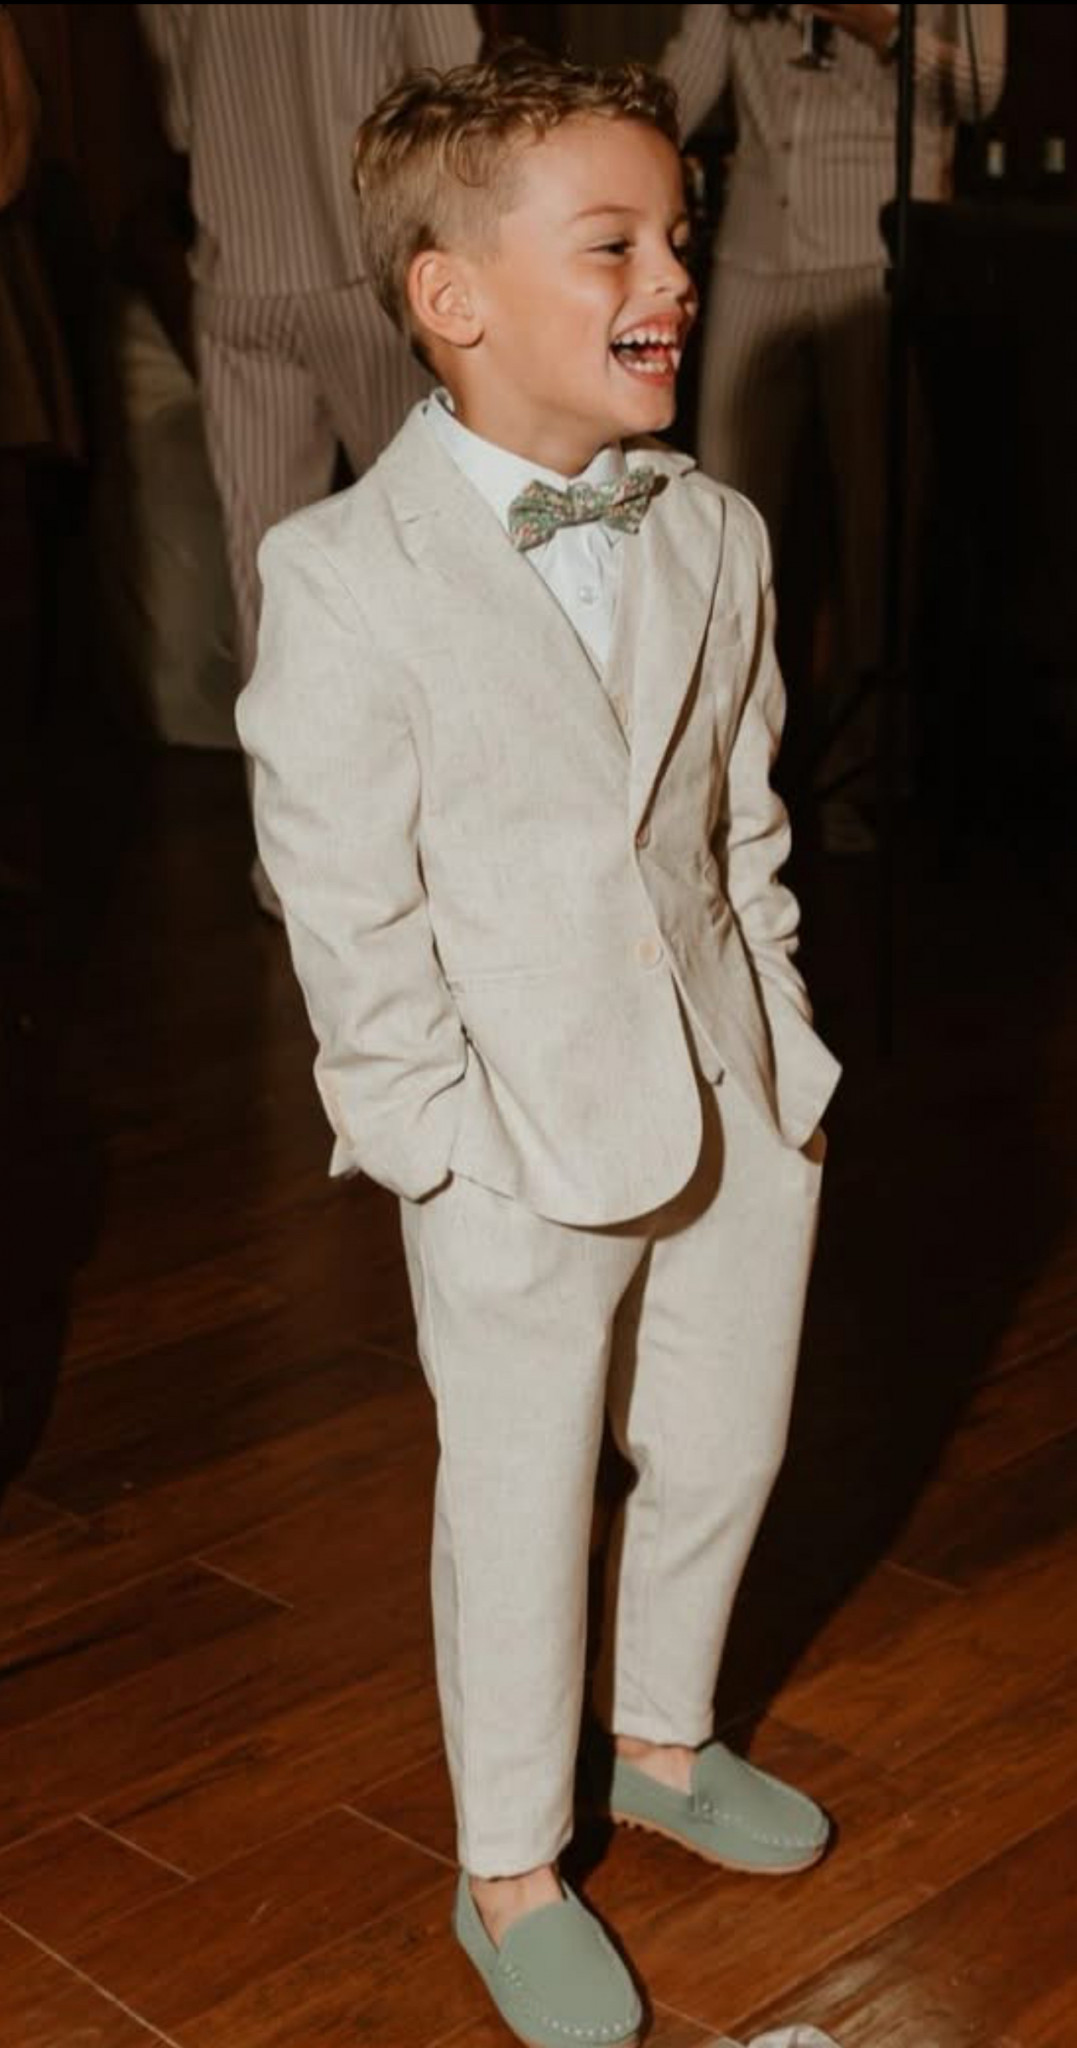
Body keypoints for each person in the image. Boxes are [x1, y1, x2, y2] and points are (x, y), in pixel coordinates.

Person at [238, 46, 841, 2048]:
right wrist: (434, 1138)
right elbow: (343, 900)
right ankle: (508, 1865)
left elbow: (741, 824)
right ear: (451, 296)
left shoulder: (717, 533)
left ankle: (660, 1735)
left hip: (725, 1088)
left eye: (680, 233)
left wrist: (785, 1055)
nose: (671, 274)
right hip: (505, 1132)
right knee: (514, 1497)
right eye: (611, 244)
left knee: (726, 1440)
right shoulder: (343, 574)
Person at [137, 3, 481, 909]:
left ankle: (287, 874)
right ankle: (450, 853)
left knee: (270, 583)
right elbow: (456, 89)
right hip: (367, 268)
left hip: (238, 272)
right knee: (435, 562)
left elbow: (180, 119)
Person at [660, 3, 1007, 852]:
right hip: (753, 247)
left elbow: (981, 86)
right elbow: (685, 80)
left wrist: (867, 20)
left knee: (874, 526)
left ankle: (861, 775)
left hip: (875, 246)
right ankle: (725, 775)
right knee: (721, 524)